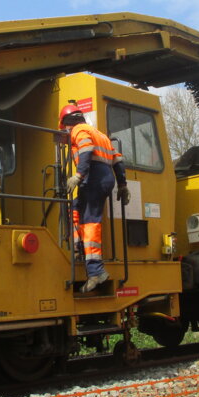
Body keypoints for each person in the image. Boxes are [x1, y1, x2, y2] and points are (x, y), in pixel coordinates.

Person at [59, 103, 131, 291]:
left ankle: (96, 271)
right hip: (106, 178)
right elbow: (118, 160)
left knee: (90, 220)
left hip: (94, 177)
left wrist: (78, 175)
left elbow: (86, 149)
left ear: (68, 122)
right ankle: (77, 247)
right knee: (75, 207)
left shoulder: (78, 130)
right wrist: (122, 184)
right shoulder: (101, 135)